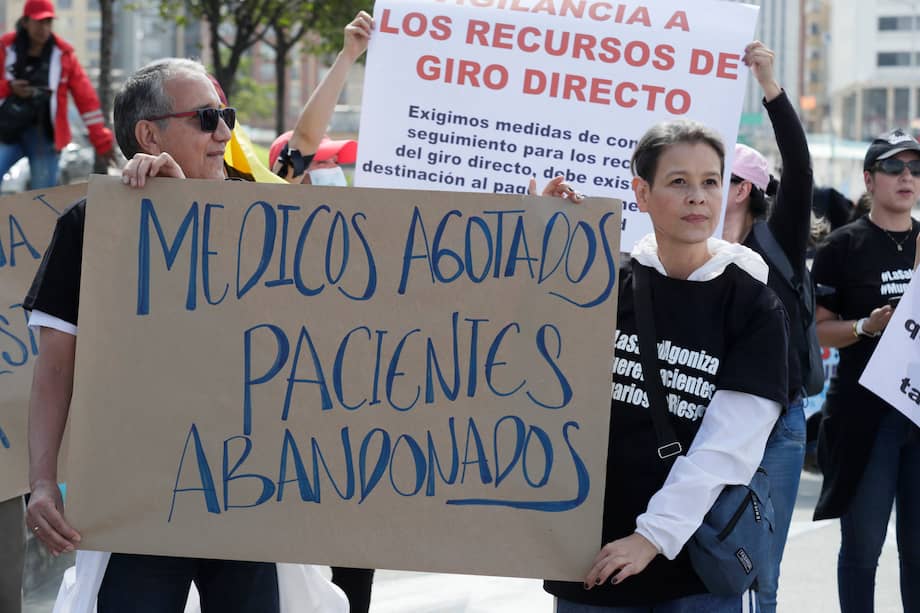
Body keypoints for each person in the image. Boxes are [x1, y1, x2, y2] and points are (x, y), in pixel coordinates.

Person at [21, 57, 345, 613]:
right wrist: (43, 482)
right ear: (149, 134)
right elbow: (55, 367)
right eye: (206, 117)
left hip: (247, 494)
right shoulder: (93, 226)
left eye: (228, 116)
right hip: (139, 501)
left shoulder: (262, 217)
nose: (224, 132)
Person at [539, 119, 788, 611]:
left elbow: (729, 445)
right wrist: (542, 233)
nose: (698, 197)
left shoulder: (754, 304)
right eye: (679, 182)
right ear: (642, 192)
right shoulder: (602, 282)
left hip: (694, 565)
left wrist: (652, 537)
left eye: (711, 182)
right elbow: (512, 344)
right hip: (589, 561)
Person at [719, 42, 813, 613]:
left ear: (744, 188)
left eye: (716, 177)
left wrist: (771, 86)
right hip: (711, 424)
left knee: (765, 570)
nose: (698, 187)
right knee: (712, 559)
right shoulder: (684, 248)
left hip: (778, 423)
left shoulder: (776, 242)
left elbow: (799, 168)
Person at [812, 127, 920, 613]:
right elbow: (818, 330)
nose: (907, 177)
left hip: (916, 414)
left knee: (918, 551)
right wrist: (865, 326)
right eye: (895, 167)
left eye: (916, 169)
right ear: (869, 179)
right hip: (864, 414)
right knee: (862, 548)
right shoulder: (842, 246)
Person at [0, 0, 113, 190]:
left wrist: (102, 141)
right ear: (26, 22)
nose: (44, 28)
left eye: (48, 22)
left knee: (42, 200)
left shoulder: (63, 55)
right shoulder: (5, 48)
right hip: (7, 132)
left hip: (45, 137)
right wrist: (10, 87)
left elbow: (86, 100)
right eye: (38, 22)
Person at [270, 10, 371, 185]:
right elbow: (304, 139)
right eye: (322, 161)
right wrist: (347, 55)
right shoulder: (278, 195)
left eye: (335, 161)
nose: (333, 168)